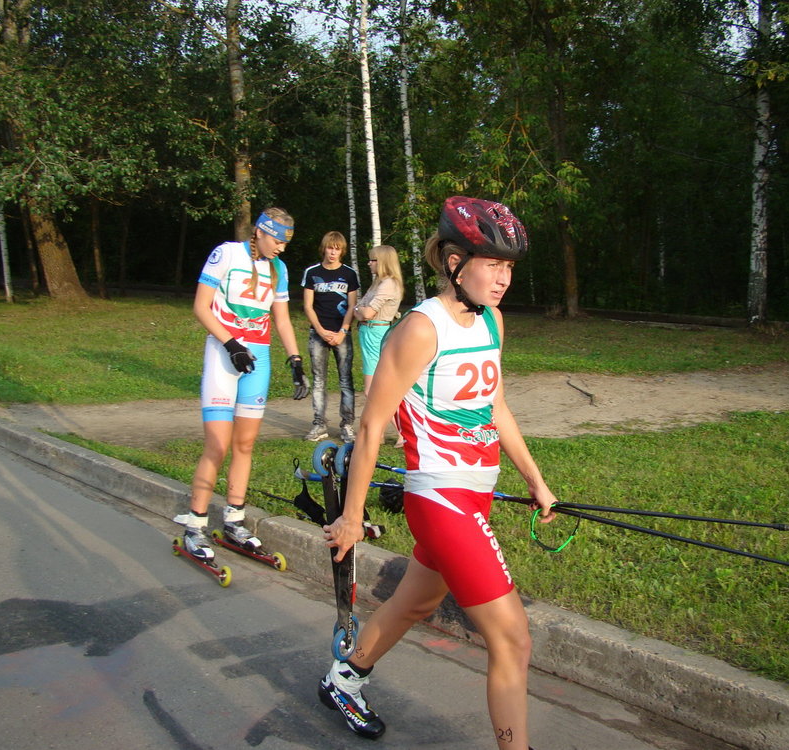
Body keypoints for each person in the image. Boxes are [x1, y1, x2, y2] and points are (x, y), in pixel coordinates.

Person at [318, 197, 557, 750]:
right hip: (441, 498)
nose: (504, 279)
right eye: (492, 264)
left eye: (509, 267)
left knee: (417, 602)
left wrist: (535, 481)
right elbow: (372, 426)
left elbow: (496, 407)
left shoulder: (492, 320)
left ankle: (344, 679)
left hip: (478, 494)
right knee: (513, 640)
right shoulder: (421, 329)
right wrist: (352, 517)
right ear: (454, 262)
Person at [180, 207, 310, 563]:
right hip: (224, 355)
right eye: (277, 240)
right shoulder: (227, 254)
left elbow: (281, 319)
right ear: (260, 232)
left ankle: (234, 520)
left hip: (258, 358)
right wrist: (231, 344)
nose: (281, 248)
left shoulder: (279, 268)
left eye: (286, 243)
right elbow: (201, 307)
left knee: (246, 443)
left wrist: (296, 360)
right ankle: (194, 525)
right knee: (217, 445)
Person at [301, 231, 360, 442]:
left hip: (342, 334)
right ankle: (319, 424)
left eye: (337, 249)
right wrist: (320, 330)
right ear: (324, 248)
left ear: (342, 251)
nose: (333, 252)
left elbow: (353, 305)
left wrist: (343, 331)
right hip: (318, 333)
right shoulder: (312, 272)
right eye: (330, 248)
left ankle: (347, 425)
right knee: (319, 381)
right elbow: (308, 305)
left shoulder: (349, 274)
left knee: (346, 380)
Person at [353, 244, 404, 395]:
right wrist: (359, 310)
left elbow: (367, 313)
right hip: (371, 331)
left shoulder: (388, 284)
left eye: (373, 260)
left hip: (375, 332)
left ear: (383, 261)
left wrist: (359, 310)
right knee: (376, 382)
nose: (369, 263)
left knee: (371, 388)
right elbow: (359, 308)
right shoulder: (379, 283)